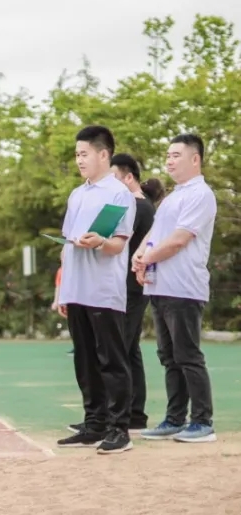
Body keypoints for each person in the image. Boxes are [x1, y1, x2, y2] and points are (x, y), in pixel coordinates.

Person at [54, 126, 136, 454]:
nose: (79, 160)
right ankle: (94, 424)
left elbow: (118, 244)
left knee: (112, 361)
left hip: (103, 290)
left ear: (104, 154)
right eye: (76, 155)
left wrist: (100, 241)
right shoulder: (77, 194)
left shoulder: (119, 193)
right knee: (85, 361)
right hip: (76, 289)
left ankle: (120, 429)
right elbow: (66, 243)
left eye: (84, 153)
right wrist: (61, 288)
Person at [133, 134, 218, 444]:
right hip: (160, 286)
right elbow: (156, 233)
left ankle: (202, 421)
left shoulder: (201, 195)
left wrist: (146, 259)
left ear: (194, 159)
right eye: (167, 155)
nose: (169, 160)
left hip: (184, 288)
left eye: (176, 155)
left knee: (187, 355)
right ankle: (174, 418)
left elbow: (181, 239)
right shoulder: (172, 197)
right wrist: (138, 255)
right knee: (168, 356)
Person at [103, 153, 160, 432]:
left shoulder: (137, 207)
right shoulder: (134, 205)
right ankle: (134, 414)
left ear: (129, 178)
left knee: (119, 350)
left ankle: (115, 417)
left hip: (131, 288)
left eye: (114, 178)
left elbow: (102, 234)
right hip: (128, 286)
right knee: (129, 350)